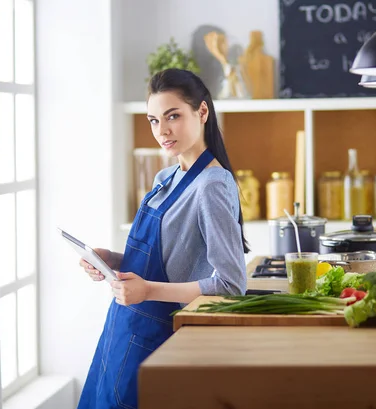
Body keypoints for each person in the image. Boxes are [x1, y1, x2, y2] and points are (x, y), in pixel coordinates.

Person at [76, 68, 249, 409]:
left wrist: (148, 290)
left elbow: (231, 284)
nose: (162, 131)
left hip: (158, 340)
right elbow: (168, 259)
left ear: (202, 112)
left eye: (173, 116)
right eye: (154, 120)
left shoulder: (212, 185)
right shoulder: (165, 177)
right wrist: (112, 260)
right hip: (122, 330)